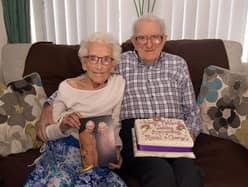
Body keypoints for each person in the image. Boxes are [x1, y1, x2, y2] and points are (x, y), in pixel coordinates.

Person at [37, 15, 203, 187]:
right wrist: (49, 103)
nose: (149, 43)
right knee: (160, 173)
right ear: (133, 41)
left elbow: (191, 110)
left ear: (164, 39)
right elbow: (89, 76)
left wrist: (188, 135)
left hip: (173, 132)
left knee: (189, 174)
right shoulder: (120, 62)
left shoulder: (178, 64)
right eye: (141, 38)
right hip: (135, 132)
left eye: (155, 37)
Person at [25, 32, 127, 187]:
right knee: (60, 182)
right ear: (84, 63)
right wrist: (63, 125)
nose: (99, 66)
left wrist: (116, 149)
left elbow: (115, 122)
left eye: (106, 59)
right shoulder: (67, 87)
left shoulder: (118, 85)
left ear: (113, 64)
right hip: (65, 150)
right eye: (93, 58)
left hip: (96, 153)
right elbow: (47, 133)